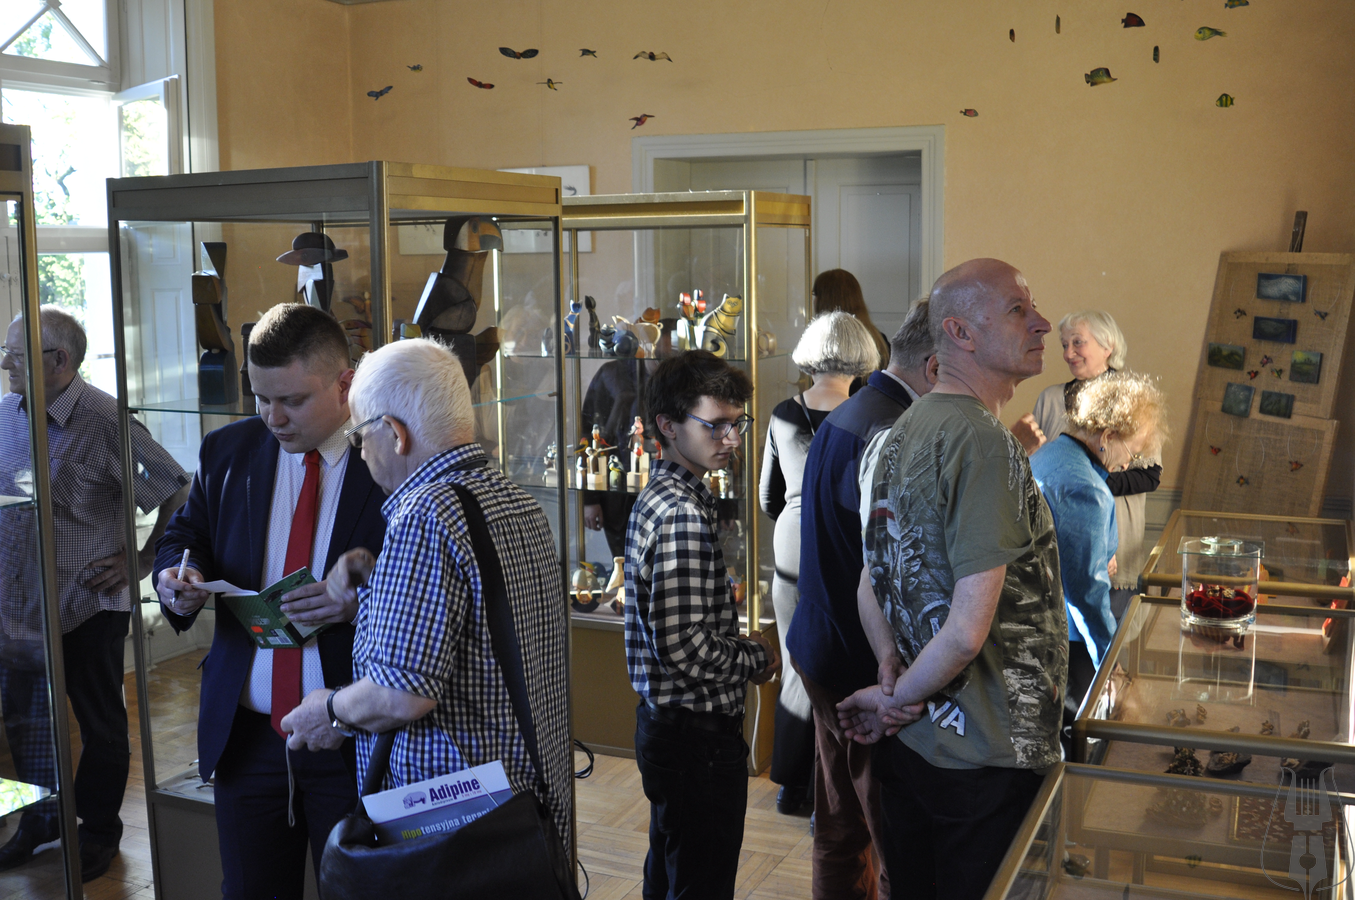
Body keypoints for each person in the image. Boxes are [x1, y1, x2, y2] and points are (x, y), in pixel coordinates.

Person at [837, 258, 1067, 900]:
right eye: (1019, 309)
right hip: (987, 758)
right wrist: (897, 697)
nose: (1042, 323)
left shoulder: (898, 431)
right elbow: (967, 632)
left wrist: (891, 678)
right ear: (960, 333)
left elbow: (870, 581)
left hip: (917, 747)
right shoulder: (984, 442)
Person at [282, 337, 572, 843]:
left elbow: (401, 694)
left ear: (394, 434)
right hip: (524, 805)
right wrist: (372, 597)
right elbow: (480, 631)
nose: (361, 453)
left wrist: (327, 709)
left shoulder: (425, 515)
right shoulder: (516, 500)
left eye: (359, 437)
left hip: (453, 827)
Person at [153, 303, 387, 900]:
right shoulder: (227, 450)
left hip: (353, 736)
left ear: (345, 384)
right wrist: (178, 578)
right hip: (247, 736)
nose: (272, 417)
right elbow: (186, 535)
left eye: (292, 400)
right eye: (260, 397)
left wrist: (358, 603)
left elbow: (427, 582)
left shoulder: (388, 459)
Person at [0, 307, 189, 881]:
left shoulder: (106, 419)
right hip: (21, 608)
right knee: (27, 722)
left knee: (100, 723)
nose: (5, 363)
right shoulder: (7, 413)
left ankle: (99, 830)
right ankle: (41, 820)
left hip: (87, 604)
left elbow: (176, 488)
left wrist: (142, 560)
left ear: (59, 360)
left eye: (15, 354)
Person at [789, 299, 937, 900]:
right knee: (888, 835)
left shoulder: (850, 411)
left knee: (840, 825)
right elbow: (888, 572)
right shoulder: (892, 429)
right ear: (934, 366)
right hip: (860, 661)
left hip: (822, 642)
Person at [625, 350, 781, 900]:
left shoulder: (665, 495)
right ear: (668, 426)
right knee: (700, 882)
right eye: (715, 425)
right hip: (695, 738)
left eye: (737, 423)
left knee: (672, 868)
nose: (731, 438)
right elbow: (685, 648)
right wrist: (756, 657)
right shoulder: (683, 513)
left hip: (669, 727)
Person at [759, 311, 879, 815]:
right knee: (843, 668)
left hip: (791, 544)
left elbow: (768, 497)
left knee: (798, 664)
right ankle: (833, 792)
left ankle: (791, 785)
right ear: (862, 355)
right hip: (843, 546)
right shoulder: (866, 416)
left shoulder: (783, 413)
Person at [1029, 371, 1166, 723]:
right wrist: (1110, 665)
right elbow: (1085, 595)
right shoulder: (1087, 488)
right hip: (1064, 638)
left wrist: (1100, 555)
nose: (1127, 464)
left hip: (1038, 626)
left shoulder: (1051, 453)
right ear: (1107, 436)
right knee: (1079, 730)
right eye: (1132, 452)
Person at [1012, 311, 1160, 616]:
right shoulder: (1050, 399)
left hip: (1118, 541)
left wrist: (1086, 484)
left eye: (1078, 343)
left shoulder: (1135, 400)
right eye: (1064, 345)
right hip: (1057, 539)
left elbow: (1150, 475)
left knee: (1108, 626)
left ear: (1108, 347)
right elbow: (1038, 466)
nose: (1069, 353)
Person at [812, 269, 889, 375]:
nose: (814, 301)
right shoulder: (879, 341)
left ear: (826, 300)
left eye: (815, 294)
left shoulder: (825, 346)